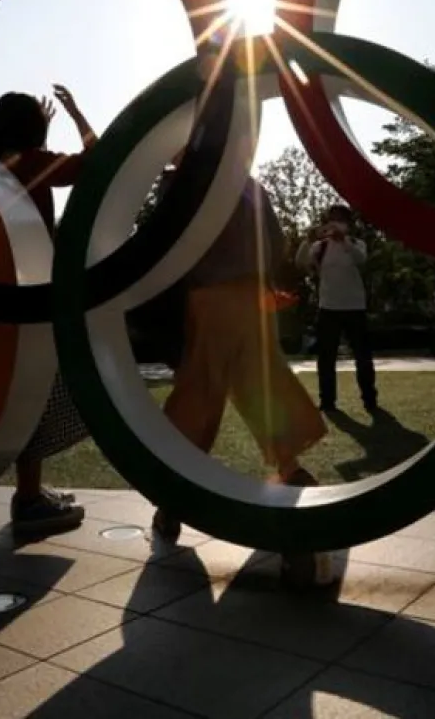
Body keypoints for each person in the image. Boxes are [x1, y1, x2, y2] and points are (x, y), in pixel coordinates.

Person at [150, 169, 329, 580]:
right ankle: (290, 467)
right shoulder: (248, 182)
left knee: (201, 389)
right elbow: (274, 241)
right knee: (260, 381)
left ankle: (171, 496)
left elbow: (163, 239)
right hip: (250, 295)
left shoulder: (181, 181)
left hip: (206, 293)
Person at [0, 85, 98, 538]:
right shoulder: (36, 164)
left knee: (26, 396)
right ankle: (28, 499)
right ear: (33, 130)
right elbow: (94, 161)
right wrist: (78, 113)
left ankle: (31, 491)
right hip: (27, 298)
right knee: (36, 396)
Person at [296, 205, 376, 413]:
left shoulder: (357, 243)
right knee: (326, 358)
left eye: (340, 219)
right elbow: (300, 261)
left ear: (348, 223)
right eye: (331, 219)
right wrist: (308, 239)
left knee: (363, 356)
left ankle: (370, 399)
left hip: (355, 306)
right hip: (328, 307)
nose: (335, 223)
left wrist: (345, 240)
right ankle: (328, 401)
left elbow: (361, 259)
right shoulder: (320, 247)